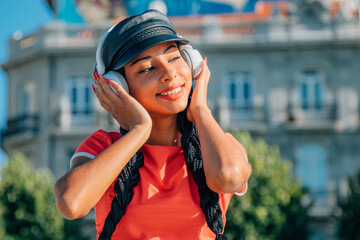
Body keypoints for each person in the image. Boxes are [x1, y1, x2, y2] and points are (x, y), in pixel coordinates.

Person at [54, 9, 252, 240]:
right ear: (118, 86)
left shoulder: (217, 144)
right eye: (147, 68)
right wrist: (139, 130)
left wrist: (200, 109)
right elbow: (71, 203)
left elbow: (228, 177)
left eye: (174, 58)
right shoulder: (103, 146)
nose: (169, 73)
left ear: (192, 63)